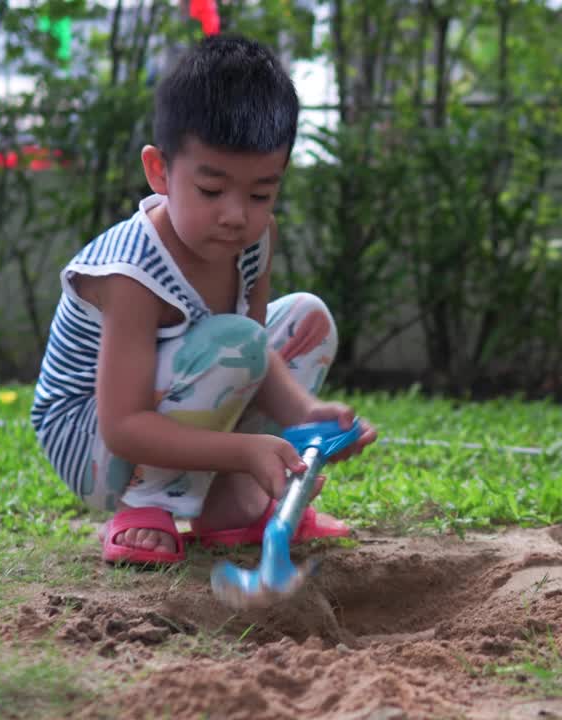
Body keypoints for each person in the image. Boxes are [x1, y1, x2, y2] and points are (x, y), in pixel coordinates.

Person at [29, 34, 376, 566]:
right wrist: (244, 451)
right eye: (212, 190)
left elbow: (254, 360)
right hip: (96, 442)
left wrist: (307, 414)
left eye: (261, 193)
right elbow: (122, 424)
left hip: (179, 394)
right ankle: (144, 507)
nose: (237, 214)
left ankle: (227, 506)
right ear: (160, 171)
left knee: (308, 319)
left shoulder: (255, 240)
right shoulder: (130, 273)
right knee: (233, 339)